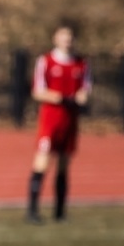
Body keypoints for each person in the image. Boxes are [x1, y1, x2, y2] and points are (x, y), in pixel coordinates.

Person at [25, 21, 91, 223]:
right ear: (55, 37)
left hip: (71, 121)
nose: (67, 40)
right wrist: (60, 97)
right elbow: (38, 91)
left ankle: (60, 212)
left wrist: (81, 97)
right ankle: (32, 210)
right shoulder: (46, 61)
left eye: (70, 36)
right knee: (43, 161)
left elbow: (85, 89)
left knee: (64, 164)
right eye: (63, 36)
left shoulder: (81, 63)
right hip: (51, 119)